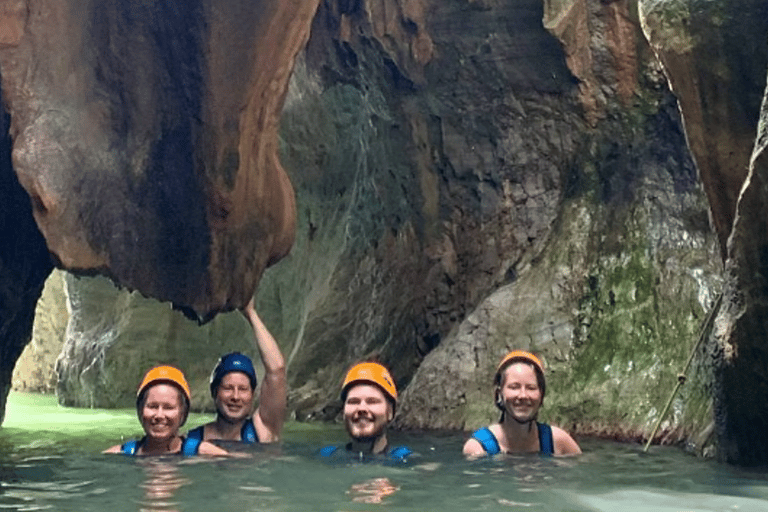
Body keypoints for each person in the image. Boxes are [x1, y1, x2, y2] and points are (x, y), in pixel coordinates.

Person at [186, 298, 286, 444]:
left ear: (252, 395)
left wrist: (250, 313)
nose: (235, 396)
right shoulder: (192, 440)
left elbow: (277, 370)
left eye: (243, 389)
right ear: (215, 392)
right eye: (228, 388)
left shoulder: (263, 430)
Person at [463, 350, 581, 457]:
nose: (523, 395)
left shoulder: (559, 442)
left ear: (541, 395)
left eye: (531, 388)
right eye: (514, 387)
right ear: (499, 393)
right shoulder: (478, 448)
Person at [104, 365, 227, 456]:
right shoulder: (118, 454)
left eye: (168, 408)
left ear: (183, 414)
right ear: (140, 411)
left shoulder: (208, 454)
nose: (159, 415)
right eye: (152, 406)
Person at [320, 361, 411, 461]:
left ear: (390, 412)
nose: (361, 408)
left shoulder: (406, 459)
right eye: (353, 402)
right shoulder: (327, 455)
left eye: (372, 401)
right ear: (343, 412)